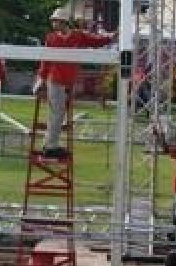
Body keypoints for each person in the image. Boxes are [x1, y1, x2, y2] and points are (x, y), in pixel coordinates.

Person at [34, 9, 116, 157]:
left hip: (68, 81)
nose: (53, 23)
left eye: (56, 21)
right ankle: (50, 146)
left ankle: (50, 144)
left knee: (58, 113)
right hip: (55, 80)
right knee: (57, 112)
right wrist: (41, 79)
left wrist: (110, 38)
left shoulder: (78, 36)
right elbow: (45, 61)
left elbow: (95, 41)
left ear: (64, 22)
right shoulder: (51, 38)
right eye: (53, 20)